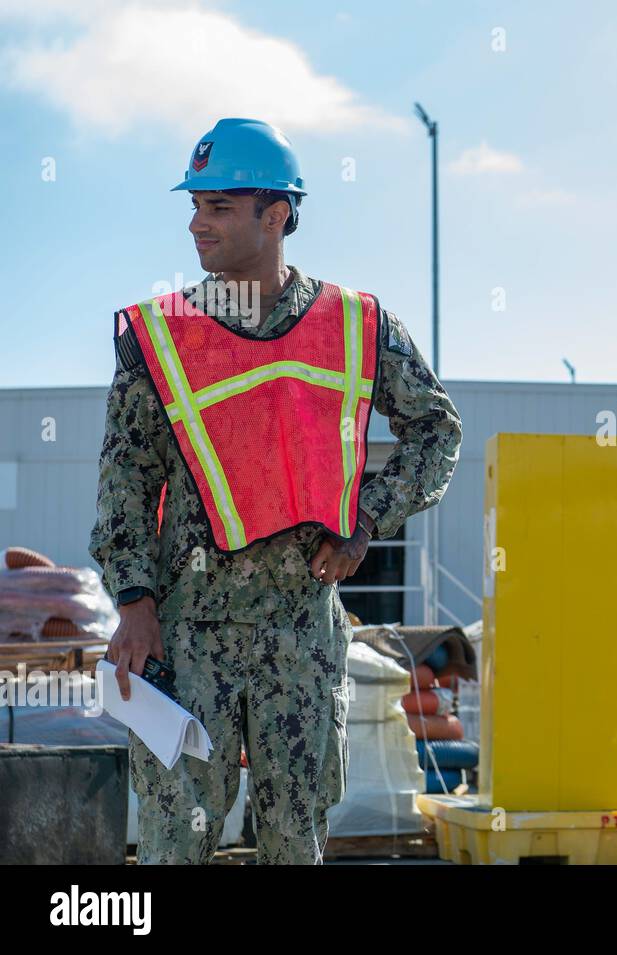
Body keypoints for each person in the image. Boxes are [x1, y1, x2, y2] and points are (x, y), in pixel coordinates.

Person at [90, 118, 463, 864]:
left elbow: (437, 431)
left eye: (219, 206)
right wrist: (132, 599)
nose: (197, 223)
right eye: (194, 205)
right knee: (174, 842)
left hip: (302, 635)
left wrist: (364, 519)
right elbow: (125, 476)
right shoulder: (164, 337)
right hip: (187, 634)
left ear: (277, 215)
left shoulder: (357, 326)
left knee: (296, 843)